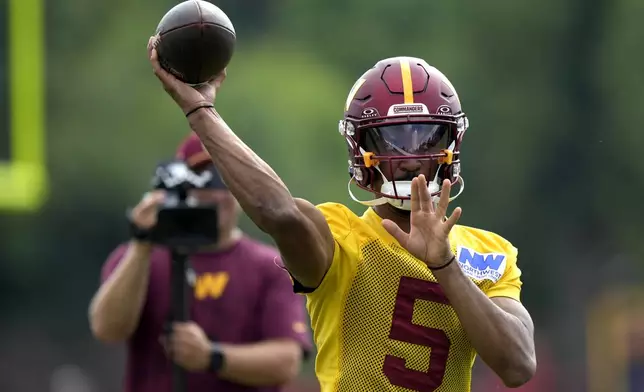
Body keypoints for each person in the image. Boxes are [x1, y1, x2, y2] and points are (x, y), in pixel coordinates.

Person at [146, 35, 536, 391]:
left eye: (427, 135)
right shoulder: (341, 236)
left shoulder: (489, 253)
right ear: (359, 149)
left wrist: (445, 264)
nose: (411, 157)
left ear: (452, 142)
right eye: (392, 139)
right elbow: (278, 212)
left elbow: (518, 365)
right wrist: (201, 110)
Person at [88, 134, 312, 392]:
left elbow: (286, 362)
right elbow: (107, 329)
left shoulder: (269, 266)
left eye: (224, 181)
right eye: (201, 181)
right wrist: (142, 244)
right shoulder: (141, 259)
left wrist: (211, 356)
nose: (213, 195)